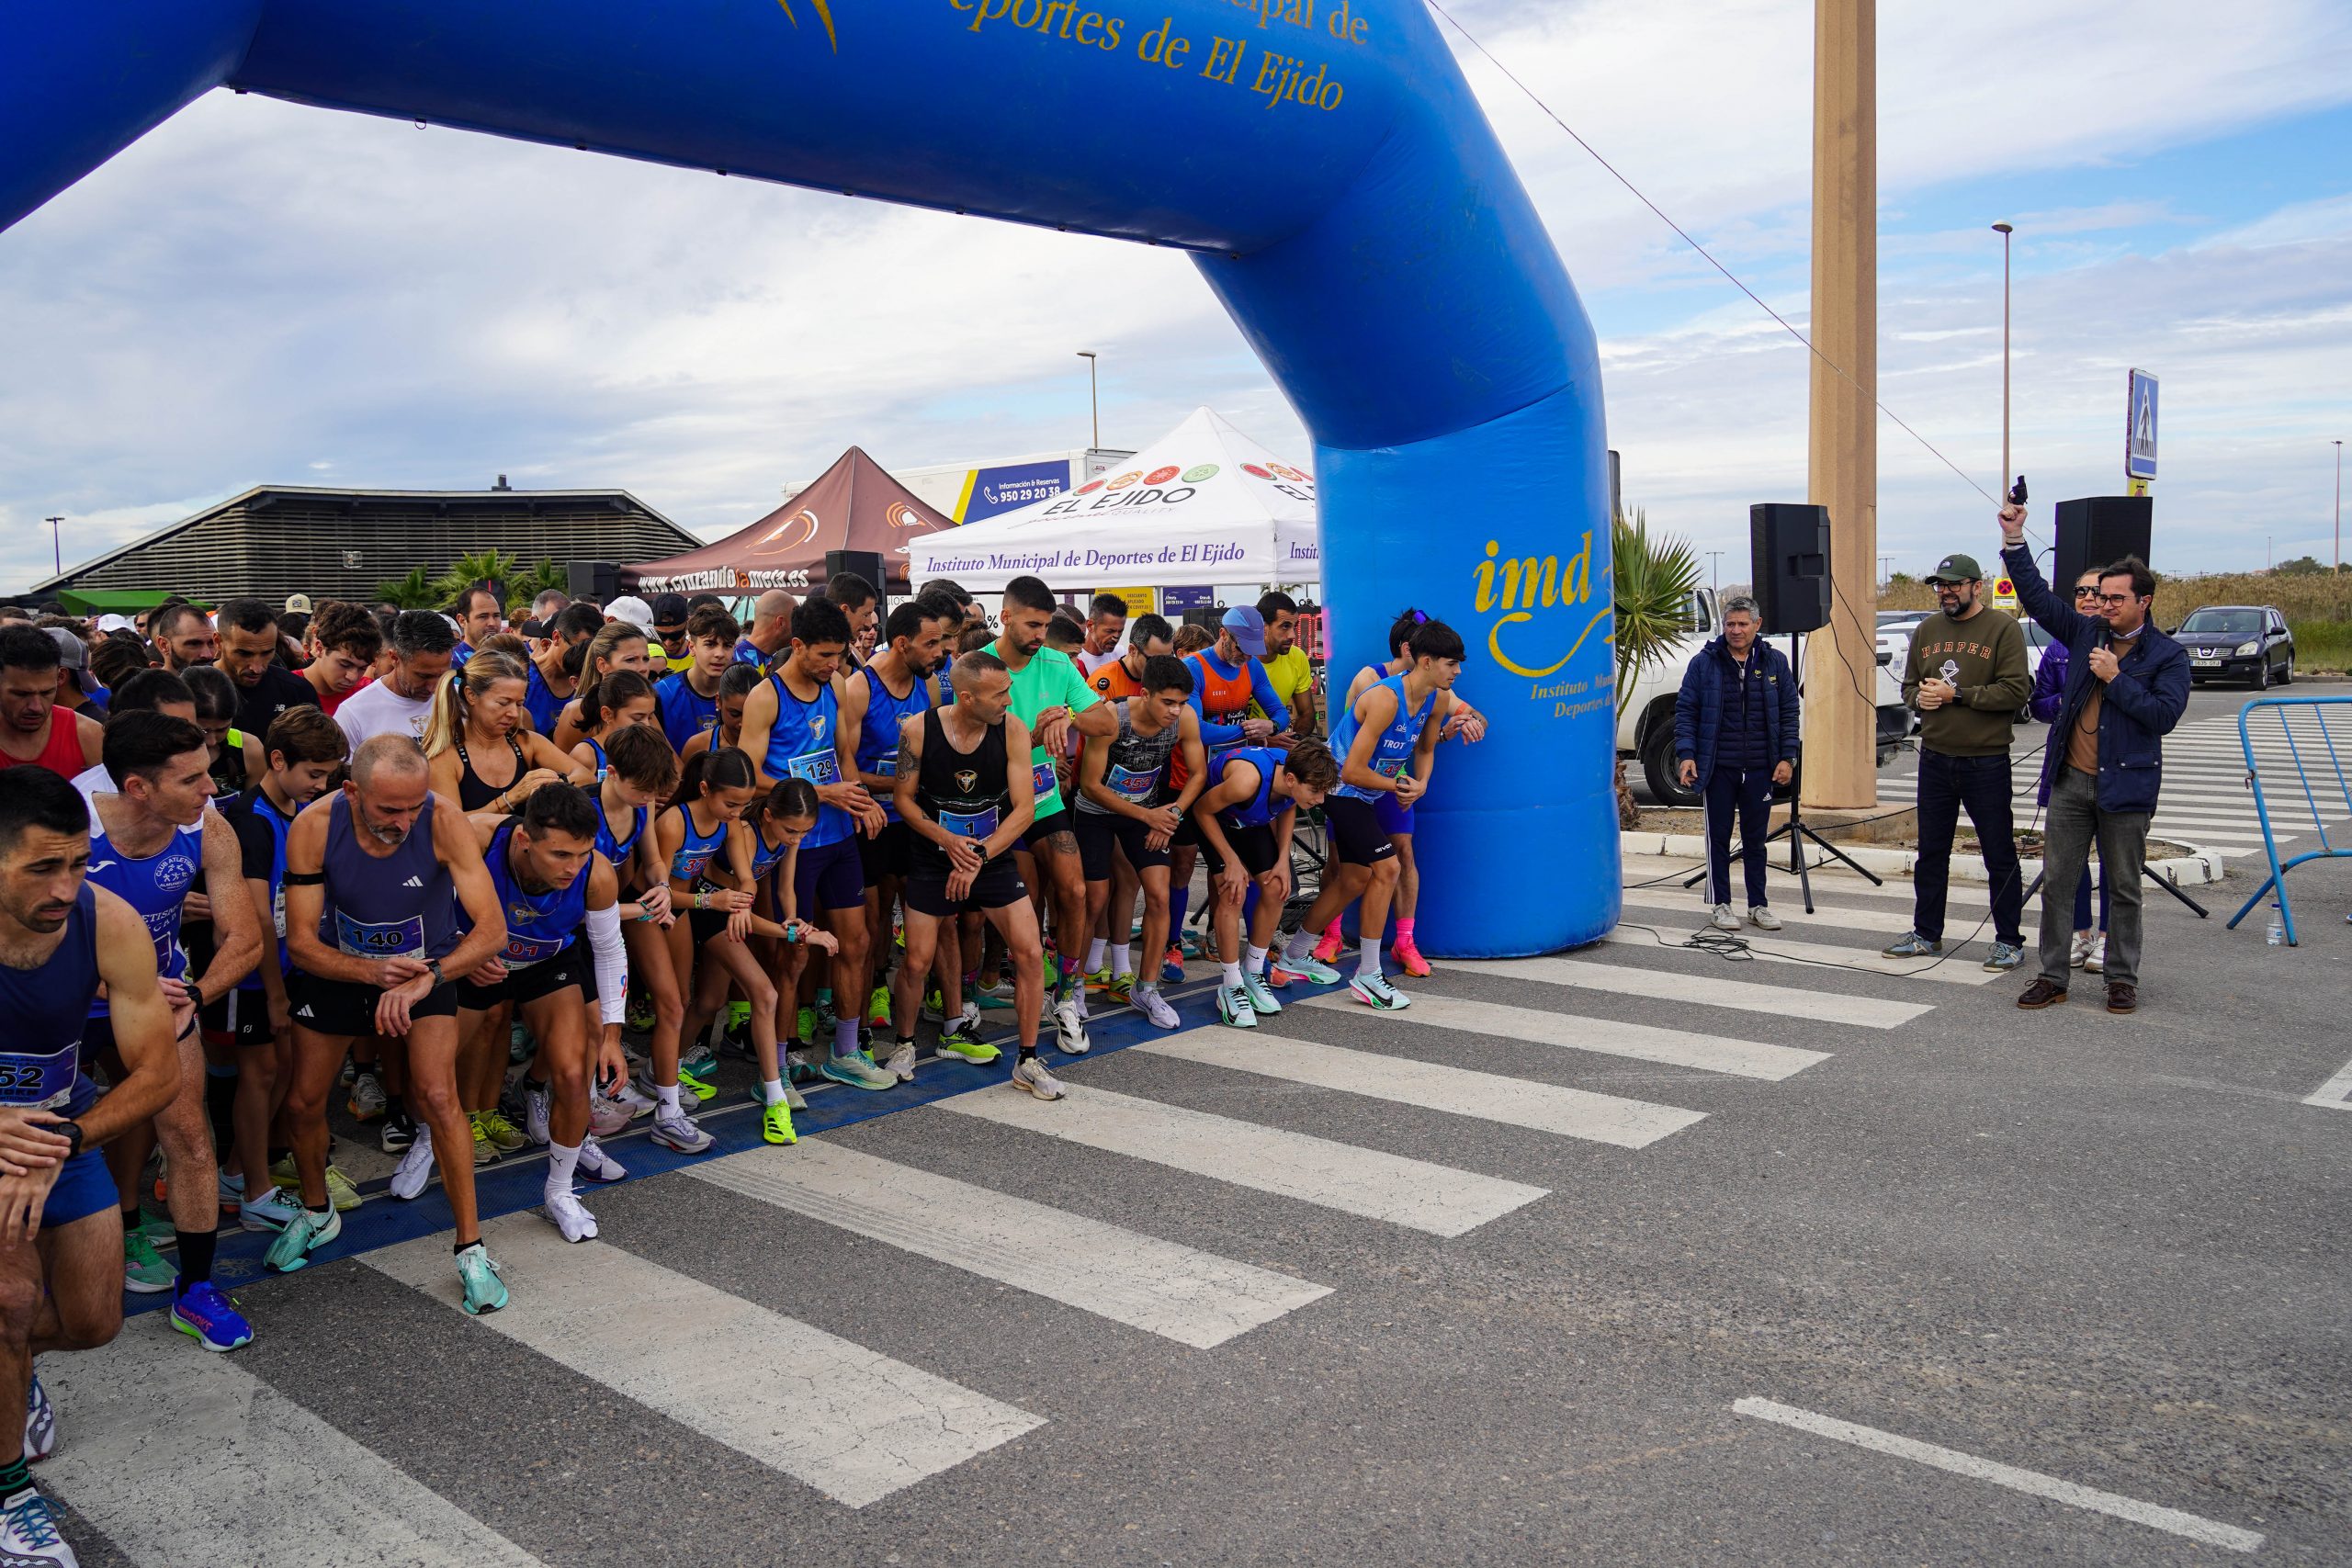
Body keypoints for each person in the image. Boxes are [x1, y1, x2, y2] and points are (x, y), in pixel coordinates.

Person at [0, 768, 183, 1564]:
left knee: (92, 1320)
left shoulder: (104, 919)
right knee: (8, 1299)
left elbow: (158, 1071)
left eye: (76, 862)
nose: (66, 885)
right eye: (43, 867)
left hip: (57, 1133)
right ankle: (10, 1497)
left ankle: (12, 1368)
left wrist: (69, 1141)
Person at [267, 736, 509, 1314]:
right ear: (352, 790)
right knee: (302, 1102)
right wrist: (371, 973)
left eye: (413, 807)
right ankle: (317, 1209)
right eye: (388, 810)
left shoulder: (443, 820)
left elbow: (493, 930)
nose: (403, 821)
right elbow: (299, 943)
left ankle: (471, 1248)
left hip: (423, 968)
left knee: (436, 1096)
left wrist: (434, 974)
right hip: (341, 967)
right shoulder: (314, 826)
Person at [82, 712, 264, 1343]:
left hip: (162, 999)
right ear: (138, 787)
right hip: (66, 1007)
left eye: (208, 772)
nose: (211, 789)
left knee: (190, 1138)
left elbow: (245, 936)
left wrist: (196, 992)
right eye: (191, 779)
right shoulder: (68, 827)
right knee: (49, 1144)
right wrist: (109, 984)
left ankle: (197, 1288)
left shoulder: (206, 828)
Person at [2001, 511, 2189, 1015]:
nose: (2103, 605)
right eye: (2100, 597)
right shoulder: (2086, 632)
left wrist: (2115, 678)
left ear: (2143, 601)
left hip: (2125, 788)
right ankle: (2052, 976)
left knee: (2124, 886)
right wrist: (2015, 539)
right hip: (2071, 783)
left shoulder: (2167, 655)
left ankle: (2121, 978)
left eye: (2115, 599)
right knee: (2059, 880)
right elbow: (2037, 597)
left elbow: (2164, 716)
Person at [452, 785, 629, 1241]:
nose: (572, 868)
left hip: (545, 961)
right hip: (476, 960)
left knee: (574, 1071)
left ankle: (559, 1191)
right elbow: (415, 899)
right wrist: (458, 948)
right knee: (437, 1067)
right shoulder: (477, 837)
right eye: (560, 855)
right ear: (524, 840)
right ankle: (423, 1143)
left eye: (582, 854)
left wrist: (611, 1035)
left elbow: (610, 952)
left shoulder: (597, 874)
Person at [891, 650, 1063, 1100]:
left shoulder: (1012, 730)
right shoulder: (918, 730)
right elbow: (905, 801)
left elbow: (1025, 809)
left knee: (1027, 952)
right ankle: (903, 1046)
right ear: (966, 698)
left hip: (992, 850)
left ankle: (1026, 1060)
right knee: (915, 961)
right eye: (1000, 693)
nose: (1009, 699)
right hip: (933, 854)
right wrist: (946, 842)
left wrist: (979, 856)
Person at [738, 598, 888, 1088]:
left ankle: (845, 1051)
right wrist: (820, 793)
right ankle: (776, 1067)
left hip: (838, 836)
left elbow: (843, 751)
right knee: (794, 954)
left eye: (840, 655)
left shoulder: (838, 683)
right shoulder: (767, 696)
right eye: (824, 655)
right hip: (791, 845)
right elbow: (746, 777)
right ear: (796, 645)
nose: (833, 664)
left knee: (858, 940)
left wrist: (860, 799)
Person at [1282, 621, 1464, 1010]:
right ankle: (1367, 975)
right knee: (1388, 869)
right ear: (1427, 661)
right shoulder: (1385, 699)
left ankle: (1293, 956)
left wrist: (1422, 783)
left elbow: (1426, 750)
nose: (1458, 672)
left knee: (1354, 880)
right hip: (1340, 788)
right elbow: (1350, 772)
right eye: (1452, 664)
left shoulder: (1437, 698)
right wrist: (1400, 786)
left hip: (1368, 790)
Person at [219, 707, 349, 1235]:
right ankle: (254, 1192)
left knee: (286, 1069)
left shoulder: (300, 811)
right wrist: (273, 993)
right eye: (314, 775)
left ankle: (235, 1172)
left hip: (293, 965)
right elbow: (253, 921)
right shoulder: (251, 821)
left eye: (328, 776)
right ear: (277, 760)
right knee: (260, 1074)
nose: (321, 786)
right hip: (255, 974)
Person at [1883, 552, 2032, 969]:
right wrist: (1920, 698)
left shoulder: (2002, 628)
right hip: (1935, 758)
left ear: (1975, 586)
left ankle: (2008, 940)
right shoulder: (1927, 629)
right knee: (1932, 852)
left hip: (1985, 761)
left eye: (1954, 584)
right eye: (1940, 585)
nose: (1946, 592)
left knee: (1998, 854)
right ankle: (1926, 933)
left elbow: (2016, 692)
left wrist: (1958, 695)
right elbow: (1909, 687)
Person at [984, 578, 1115, 1051]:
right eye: (1032, 624)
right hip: (997, 805)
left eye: (1045, 625)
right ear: (1006, 617)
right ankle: (995, 986)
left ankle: (1066, 995)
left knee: (1076, 890)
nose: (1040, 634)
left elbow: (1108, 723)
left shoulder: (1058, 663)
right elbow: (970, 748)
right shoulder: (981, 666)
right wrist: (1036, 736)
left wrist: (1067, 716)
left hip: (1044, 800)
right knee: (1028, 900)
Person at [655, 748, 798, 1143]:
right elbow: (657, 892)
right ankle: (771, 1098)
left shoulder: (731, 823)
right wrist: (712, 901)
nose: (738, 811)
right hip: (671, 910)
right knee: (680, 1001)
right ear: (704, 789)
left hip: (706, 907)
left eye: (745, 804)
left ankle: (662, 1070)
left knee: (709, 1000)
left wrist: (741, 902)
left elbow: (747, 877)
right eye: (731, 803)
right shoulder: (673, 822)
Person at [1074, 654, 1206, 1030]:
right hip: (1096, 812)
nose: (1174, 711)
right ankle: (1074, 986)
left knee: (1160, 895)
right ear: (1144, 693)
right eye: (1167, 702)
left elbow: (1198, 774)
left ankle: (1146, 988)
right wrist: (1149, 816)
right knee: (1094, 898)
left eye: (1181, 703)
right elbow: (1091, 785)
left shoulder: (1185, 719)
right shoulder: (1113, 718)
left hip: (1147, 813)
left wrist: (1173, 815)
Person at [1161, 606, 1289, 985]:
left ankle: (1229, 943)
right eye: (1240, 648)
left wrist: (1271, 724)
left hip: (1234, 782)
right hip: (1188, 780)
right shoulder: (1195, 668)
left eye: (1252, 650)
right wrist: (1246, 735)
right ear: (1223, 636)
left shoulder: (1252, 667)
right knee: (1183, 866)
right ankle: (1172, 943)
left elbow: (1280, 715)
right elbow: (1196, 729)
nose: (1245, 656)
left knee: (1237, 873)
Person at [847, 599, 954, 1044]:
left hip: (913, 818)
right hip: (870, 819)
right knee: (871, 923)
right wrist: (895, 786)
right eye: (932, 643)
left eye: (944, 641)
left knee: (934, 914)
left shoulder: (926, 688)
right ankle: (874, 992)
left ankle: (948, 1011)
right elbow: (845, 767)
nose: (941, 652)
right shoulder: (859, 687)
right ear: (904, 642)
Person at [1673, 595, 1799, 932]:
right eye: (1730, 624)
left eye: (1743, 624)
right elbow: (1686, 711)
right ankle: (1721, 904)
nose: (1736, 630)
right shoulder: (1704, 663)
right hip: (1719, 770)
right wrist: (1687, 755)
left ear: (1757, 625)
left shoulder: (1775, 662)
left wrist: (1788, 758)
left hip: (1760, 768)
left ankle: (1758, 905)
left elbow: (1789, 713)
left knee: (1756, 841)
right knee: (1718, 839)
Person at [1197, 741, 1340, 1028]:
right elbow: (1201, 811)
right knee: (1233, 892)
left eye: (1324, 791)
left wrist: (1282, 860)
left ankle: (1252, 972)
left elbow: (1287, 805)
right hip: (1215, 819)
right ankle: (1230, 984)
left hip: (1249, 822)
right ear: (1291, 779)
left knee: (1276, 886)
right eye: (1316, 791)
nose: (1321, 800)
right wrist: (1231, 860)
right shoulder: (1245, 782)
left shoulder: (1291, 778)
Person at [2028, 567, 2113, 972]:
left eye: (2097, 591)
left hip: (2114, 774)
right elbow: (2038, 703)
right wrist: (2065, 702)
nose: (2088, 599)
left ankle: (2109, 941)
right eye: (2080, 592)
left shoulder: (2129, 648)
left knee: (2115, 864)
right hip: (2065, 765)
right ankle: (2082, 936)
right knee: (2067, 862)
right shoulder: (2059, 649)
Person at [421, 649, 585, 814]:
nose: (514, 713)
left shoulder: (526, 742)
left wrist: (550, 785)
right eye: (503, 703)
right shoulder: (446, 757)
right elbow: (451, 826)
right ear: (471, 695)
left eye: (519, 704)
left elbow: (585, 776)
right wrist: (511, 798)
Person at [336, 610, 458, 748]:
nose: (434, 687)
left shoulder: (462, 701)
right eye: (423, 676)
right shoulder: (354, 713)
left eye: (442, 675)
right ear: (394, 658)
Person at [0, 629, 104, 781]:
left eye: (46, 693)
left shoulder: (89, 736)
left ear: (59, 678)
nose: (36, 707)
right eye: (21, 694)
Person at [215, 599, 319, 739]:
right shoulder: (191, 689)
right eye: (244, 654)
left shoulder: (297, 691)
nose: (257, 668)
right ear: (218, 642)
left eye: (267, 653)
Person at [550, 622, 654, 753]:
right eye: (631, 660)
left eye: (646, 659)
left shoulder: (646, 708)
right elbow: (563, 769)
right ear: (602, 665)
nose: (643, 668)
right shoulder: (577, 711)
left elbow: (671, 765)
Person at [653, 604, 739, 750]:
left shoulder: (744, 694)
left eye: (727, 645)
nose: (719, 653)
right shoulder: (661, 694)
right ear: (692, 647)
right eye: (710, 644)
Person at [526, 602, 605, 733]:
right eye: (580, 648)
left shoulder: (598, 680)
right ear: (556, 637)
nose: (587, 657)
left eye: (594, 651)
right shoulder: (522, 678)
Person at [298, 602, 383, 718]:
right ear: (319, 648)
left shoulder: (370, 694)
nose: (352, 677)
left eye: (363, 668)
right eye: (345, 664)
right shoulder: (283, 689)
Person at [1252, 591, 1318, 737]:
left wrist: (1293, 741)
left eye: (1294, 626)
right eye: (1285, 626)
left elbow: (1307, 713)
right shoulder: (1242, 659)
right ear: (1263, 627)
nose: (1292, 635)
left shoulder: (1297, 657)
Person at [1087, 613, 1175, 704]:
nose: (1162, 668)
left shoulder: (1169, 679)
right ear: (1133, 650)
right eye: (1154, 661)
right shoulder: (1104, 683)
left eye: (1168, 659)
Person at [733, 589, 797, 673]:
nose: (798, 628)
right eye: (795, 621)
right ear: (781, 623)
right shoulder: (733, 663)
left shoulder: (780, 661)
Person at [827, 573, 880, 666]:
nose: (869, 624)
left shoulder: (854, 653)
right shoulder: (818, 658)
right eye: (865, 615)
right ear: (844, 611)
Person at [148, 604, 218, 674]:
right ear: (164, 645)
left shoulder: (224, 683)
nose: (207, 654)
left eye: (211, 643)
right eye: (194, 644)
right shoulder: (147, 684)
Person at [447, 584, 503, 670]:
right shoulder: (453, 663)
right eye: (483, 616)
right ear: (462, 620)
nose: (492, 623)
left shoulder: (508, 659)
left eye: (496, 616)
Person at [1076, 592, 1129, 676]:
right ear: (1090, 626)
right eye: (1110, 631)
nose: (1116, 637)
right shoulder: (1075, 657)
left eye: (1120, 631)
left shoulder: (1121, 654)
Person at [645, 592, 694, 674]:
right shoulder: (641, 657)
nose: (668, 643)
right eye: (661, 635)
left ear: (687, 623)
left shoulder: (699, 657)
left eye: (675, 635)